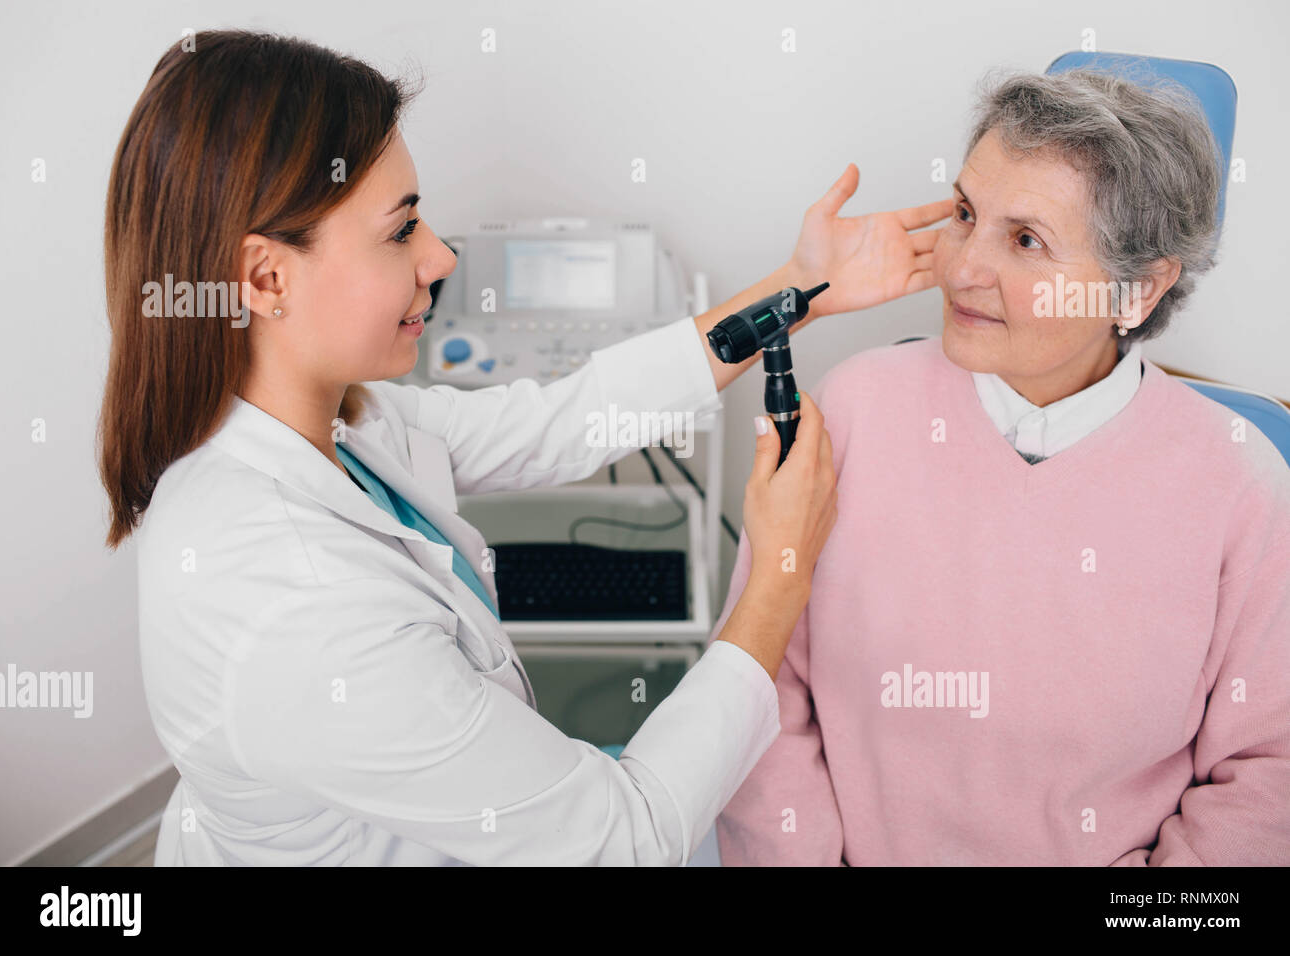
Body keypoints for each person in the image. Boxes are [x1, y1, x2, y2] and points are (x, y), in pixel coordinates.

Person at [97, 30, 951, 865]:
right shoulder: (294, 613)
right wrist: (782, 573)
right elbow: (624, 839)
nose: (439, 255)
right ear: (265, 278)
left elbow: (563, 419)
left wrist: (796, 287)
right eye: (400, 231)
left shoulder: (333, 423)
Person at [713, 68, 1290, 866]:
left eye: (1025, 241)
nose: (959, 269)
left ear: (1137, 290)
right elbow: (759, 686)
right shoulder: (850, 413)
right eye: (965, 214)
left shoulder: (1240, 486)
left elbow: (1269, 777)